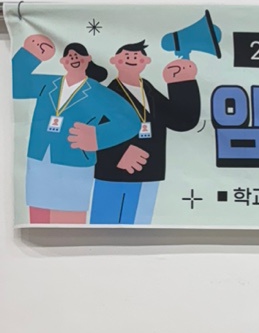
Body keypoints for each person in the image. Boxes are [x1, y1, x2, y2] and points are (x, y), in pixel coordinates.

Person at [13, 35, 141, 224]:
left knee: (69, 221)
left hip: (74, 163)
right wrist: (29, 54)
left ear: (88, 59)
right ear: (62, 62)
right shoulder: (49, 85)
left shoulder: (97, 92)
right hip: (39, 161)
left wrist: (97, 137)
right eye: (69, 56)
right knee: (38, 223)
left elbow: (130, 121)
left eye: (78, 55)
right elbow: (15, 84)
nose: (73, 59)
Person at [90, 39, 201, 226]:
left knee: (140, 229)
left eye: (138, 57)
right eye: (126, 56)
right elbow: (93, 132)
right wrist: (118, 155)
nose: (132, 59)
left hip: (148, 172)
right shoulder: (108, 94)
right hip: (114, 173)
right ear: (114, 61)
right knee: (104, 226)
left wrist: (182, 83)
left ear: (146, 62)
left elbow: (181, 121)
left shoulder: (148, 91)